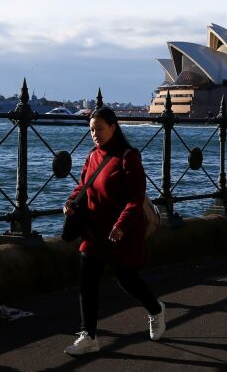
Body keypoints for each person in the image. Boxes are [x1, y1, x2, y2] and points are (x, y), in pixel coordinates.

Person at [62, 106, 165, 356]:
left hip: (122, 233)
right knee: (87, 281)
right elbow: (83, 185)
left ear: (113, 127)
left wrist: (121, 224)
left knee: (128, 280)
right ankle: (89, 336)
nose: (95, 134)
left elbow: (135, 198)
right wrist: (70, 201)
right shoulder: (92, 156)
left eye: (99, 128)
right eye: (91, 130)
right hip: (95, 230)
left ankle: (156, 310)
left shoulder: (128, 157)